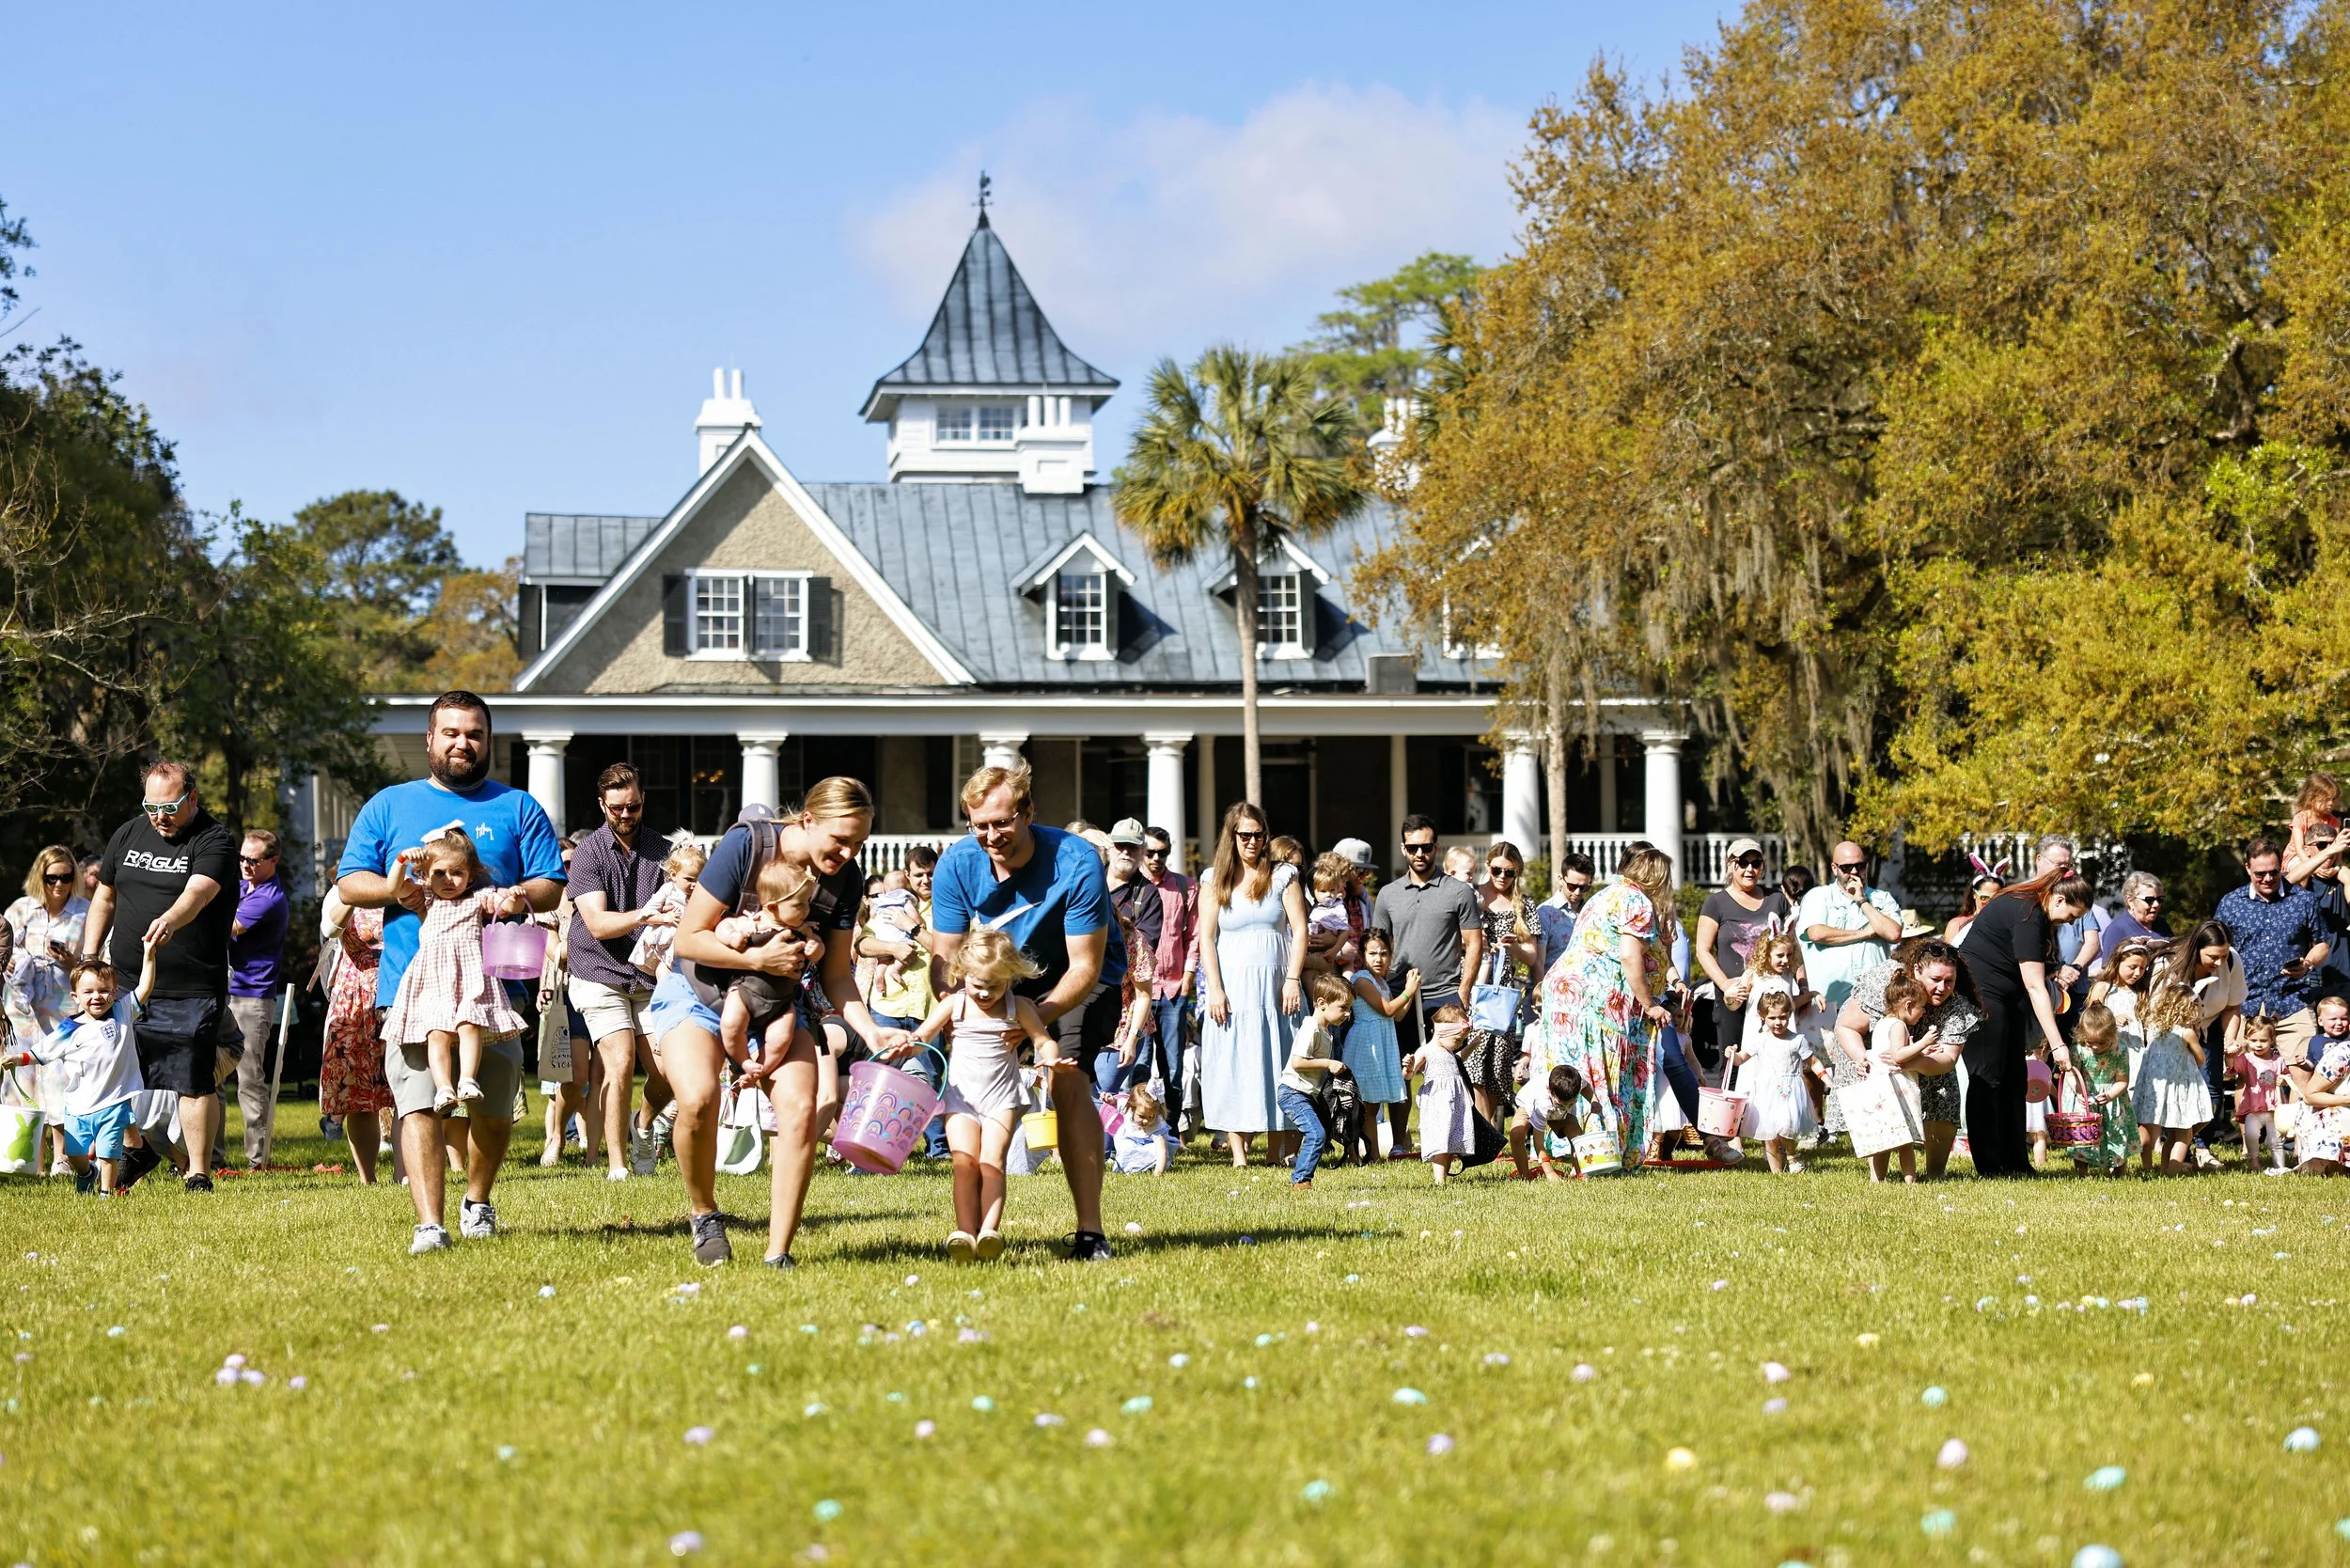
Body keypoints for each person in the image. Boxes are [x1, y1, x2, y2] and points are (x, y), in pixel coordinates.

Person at [336, 692, 566, 1254]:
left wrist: (516, 896)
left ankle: (478, 1201)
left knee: (491, 1107)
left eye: (475, 734)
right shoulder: (390, 805)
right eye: (452, 733)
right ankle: (430, 1223)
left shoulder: (517, 807)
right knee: (417, 1102)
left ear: (488, 740)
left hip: (495, 984)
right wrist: (390, 890)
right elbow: (348, 882)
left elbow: (550, 882)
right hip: (410, 983)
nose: (464, 743)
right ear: (430, 740)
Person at [659, 777, 898, 1268]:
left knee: (798, 1110)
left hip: (778, 1009)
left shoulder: (845, 882)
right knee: (699, 1100)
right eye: (840, 839)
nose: (849, 852)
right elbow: (688, 939)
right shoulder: (746, 846)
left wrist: (872, 1032)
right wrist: (758, 962)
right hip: (701, 994)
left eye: (859, 843)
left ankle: (777, 1252)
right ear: (807, 820)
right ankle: (705, 1214)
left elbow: (835, 973)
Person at [930, 762, 1126, 1262]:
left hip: (1076, 980)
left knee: (1069, 1081)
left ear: (1028, 813)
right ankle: (973, 1226)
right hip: (995, 981)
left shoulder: (1075, 860)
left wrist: (1030, 1021)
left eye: (1002, 822)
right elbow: (945, 962)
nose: (991, 835)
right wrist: (961, 1015)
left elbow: (1086, 964)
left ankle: (1089, 1232)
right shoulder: (956, 864)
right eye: (980, 825)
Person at [84, 760, 239, 1194]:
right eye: (151, 806)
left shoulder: (214, 839)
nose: (160, 817)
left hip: (190, 984)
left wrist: (170, 919)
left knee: (193, 1077)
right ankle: (137, 1148)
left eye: (169, 807)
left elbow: (199, 892)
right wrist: (90, 957)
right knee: (109, 1072)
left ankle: (198, 1173)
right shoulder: (129, 833)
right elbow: (105, 897)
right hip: (126, 981)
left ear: (193, 798)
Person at [911, 928, 1055, 1262]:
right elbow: (921, 1035)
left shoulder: (1017, 1006)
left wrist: (1049, 1053)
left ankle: (989, 1231)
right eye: (978, 984)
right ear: (962, 974)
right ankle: (965, 1232)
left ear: (1010, 978)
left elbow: (1042, 1039)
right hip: (961, 1098)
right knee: (963, 1162)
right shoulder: (955, 1003)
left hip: (1001, 1098)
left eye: (996, 985)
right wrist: (902, 1044)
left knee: (992, 1162)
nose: (986, 993)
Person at [564, 764, 676, 1183]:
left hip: (648, 974)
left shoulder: (663, 852)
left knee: (668, 1072)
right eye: (616, 809)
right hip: (597, 968)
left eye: (632, 807)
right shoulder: (589, 853)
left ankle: (642, 1123)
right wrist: (645, 916)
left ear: (642, 801)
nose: (625, 815)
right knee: (621, 1061)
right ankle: (617, 1164)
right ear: (602, 805)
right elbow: (596, 924)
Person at [1542, 845, 1677, 1172]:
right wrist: (1650, 1004)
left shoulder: (1605, 895)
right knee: (1604, 1073)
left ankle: (1566, 1150)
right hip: (1598, 999)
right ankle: (1602, 1153)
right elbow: (1631, 957)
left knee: (1570, 1071)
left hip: (1564, 991)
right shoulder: (1637, 901)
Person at [381, 830, 532, 1117]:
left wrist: (515, 895)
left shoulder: (479, 898)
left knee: (469, 1023)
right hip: (433, 977)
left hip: (471, 974)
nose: (448, 880)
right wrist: (401, 859)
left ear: (471, 876)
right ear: (426, 875)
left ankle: (467, 1080)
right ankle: (443, 1088)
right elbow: (394, 887)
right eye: (439, 873)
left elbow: (508, 906)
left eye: (457, 873)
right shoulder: (425, 897)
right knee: (436, 1032)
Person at [1195, 802, 1308, 1168]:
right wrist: (1214, 987)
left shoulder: (1283, 875)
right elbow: (1206, 938)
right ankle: (1239, 1156)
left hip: (1277, 984)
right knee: (1234, 1061)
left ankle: (1276, 1150)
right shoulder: (1214, 879)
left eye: (1259, 835)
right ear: (1232, 836)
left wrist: (1292, 979)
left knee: (1277, 1059)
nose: (1253, 842)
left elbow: (1300, 930)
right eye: (1245, 835)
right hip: (1233, 986)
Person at [1961, 866, 2093, 1175]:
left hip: (2007, 996)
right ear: (2059, 900)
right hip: (1983, 994)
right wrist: (2058, 1045)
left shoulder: (2036, 910)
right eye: (2072, 916)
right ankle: (1989, 1165)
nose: (2070, 923)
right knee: (1989, 1077)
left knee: (2014, 1078)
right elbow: (2035, 986)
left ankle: (2016, 1162)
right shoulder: (2028, 914)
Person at [3, 942, 158, 1196]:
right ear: (75, 996)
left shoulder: (122, 1012)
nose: (97, 996)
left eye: (104, 990)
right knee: (75, 1154)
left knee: (109, 1153)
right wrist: (17, 1058)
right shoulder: (68, 1028)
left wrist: (149, 955)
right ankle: (88, 1173)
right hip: (78, 1106)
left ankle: (106, 1194)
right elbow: (41, 1052)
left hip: (114, 1102)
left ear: (115, 991)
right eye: (89, 992)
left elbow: (145, 987)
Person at [1374, 814, 1486, 1149]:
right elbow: (1379, 945)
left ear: (1436, 848)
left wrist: (1463, 992)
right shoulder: (1388, 894)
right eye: (1413, 848)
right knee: (1402, 1071)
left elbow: (1474, 943)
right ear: (1403, 848)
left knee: (1449, 1071)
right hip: (1401, 996)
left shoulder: (1459, 892)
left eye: (1426, 847)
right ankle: (1399, 1142)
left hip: (1445, 996)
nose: (1420, 854)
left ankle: (1453, 1140)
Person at [1834, 938, 1982, 1177]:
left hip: (1923, 1056)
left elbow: (1948, 1058)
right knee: (1879, 1106)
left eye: (1949, 981)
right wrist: (1862, 1059)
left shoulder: (1958, 1005)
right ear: (1915, 971)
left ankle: (1935, 1172)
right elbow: (1847, 1027)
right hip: (1872, 1048)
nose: (1942, 988)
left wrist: (1911, 1060)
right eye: (1935, 980)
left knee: (1944, 1091)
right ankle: (1878, 1176)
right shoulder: (1889, 983)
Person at [6, 845, 92, 1177]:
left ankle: (63, 1159)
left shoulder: (85, 912)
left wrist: (71, 961)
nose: (60, 884)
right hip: (22, 1009)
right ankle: (27, 1160)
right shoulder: (21, 909)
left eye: (67, 877)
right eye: (52, 877)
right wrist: (12, 959)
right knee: (23, 1079)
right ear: (40, 876)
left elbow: (96, 963)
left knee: (60, 1078)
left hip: (63, 1004)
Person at [860, 844, 944, 1159]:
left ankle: (939, 1148)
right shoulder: (892, 904)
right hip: (888, 1006)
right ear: (908, 876)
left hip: (928, 1008)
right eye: (919, 874)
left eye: (931, 874)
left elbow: (948, 951)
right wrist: (892, 949)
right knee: (883, 1078)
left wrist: (913, 929)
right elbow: (863, 941)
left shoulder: (946, 908)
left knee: (931, 1079)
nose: (925, 880)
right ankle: (880, 1146)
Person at [2215, 837, 2328, 1069]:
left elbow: (2322, 943)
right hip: (2242, 1004)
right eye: (2260, 874)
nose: (2268, 878)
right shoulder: (2231, 904)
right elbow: (2214, 948)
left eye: (2274, 872)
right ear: (2247, 868)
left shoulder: (2304, 900)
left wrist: (2306, 964)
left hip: (2292, 1000)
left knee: (2303, 1074)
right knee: (2240, 1078)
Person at [315, 892, 394, 1184]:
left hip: (397, 990)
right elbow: (330, 929)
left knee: (405, 1089)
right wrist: (352, 893)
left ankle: (405, 1173)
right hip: (353, 998)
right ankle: (367, 1178)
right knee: (358, 1095)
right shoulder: (342, 891)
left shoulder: (408, 888)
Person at [1695, 838, 1794, 1066]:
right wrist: (1727, 985)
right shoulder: (1716, 903)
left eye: (1756, 863)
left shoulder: (1776, 900)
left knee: (1776, 1062)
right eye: (1743, 862)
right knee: (1733, 1064)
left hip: (1773, 996)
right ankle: (1732, 1104)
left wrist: (1804, 987)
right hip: (1735, 998)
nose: (1750, 869)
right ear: (1731, 864)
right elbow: (1703, 950)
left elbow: (1793, 948)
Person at [227, 830, 291, 1168]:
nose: (246, 865)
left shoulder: (268, 897)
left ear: (273, 860)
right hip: (226, 992)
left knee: (249, 1079)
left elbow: (228, 928)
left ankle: (257, 1159)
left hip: (251, 998)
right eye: (242, 858)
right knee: (209, 1078)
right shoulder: (243, 886)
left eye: (253, 860)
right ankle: (209, 1158)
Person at [1463, 841, 1537, 1124]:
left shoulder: (1524, 905)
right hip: (1476, 985)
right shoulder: (1473, 897)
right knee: (1473, 1059)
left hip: (1504, 991)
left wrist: (1513, 946)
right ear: (1488, 867)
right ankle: (1483, 1129)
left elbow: (1530, 957)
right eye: (1497, 870)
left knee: (1497, 1063)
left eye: (1510, 872)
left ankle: (1490, 1129)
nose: (1503, 877)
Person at [1132, 826, 1198, 1121]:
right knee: (1139, 1063)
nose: (1157, 857)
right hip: (1140, 990)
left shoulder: (1185, 887)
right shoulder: (1133, 888)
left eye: (1163, 852)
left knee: (1172, 1065)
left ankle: (1171, 1131)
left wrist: (1188, 978)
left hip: (1173, 990)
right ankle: (1137, 1128)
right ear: (1141, 852)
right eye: (1150, 852)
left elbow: (1193, 937)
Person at [1794, 841, 1903, 1014]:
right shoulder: (1818, 896)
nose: (1854, 872)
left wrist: (1862, 900)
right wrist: (1866, 932)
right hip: (1827, 1004)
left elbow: (1893, 933)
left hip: (1874, 1002)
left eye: (1860, 866)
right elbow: (1817, 933)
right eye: (1847, 867)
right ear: (1834, 868)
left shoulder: (1882, 898)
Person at [1341, 929, 1415, 1162]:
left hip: (1381, 1041)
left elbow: (1398, 1015)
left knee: (1371, 1106)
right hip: (1366, 1044)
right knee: (1363, 1105)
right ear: (1363, 955)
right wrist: (1408, 990)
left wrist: (1410, 993)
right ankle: (1355, 1154)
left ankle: (1370, 1155)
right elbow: (1388, 1009)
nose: (1378, 959)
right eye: (1372, 953)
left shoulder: (1382, 981)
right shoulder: (1362, 978)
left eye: (1383, 953)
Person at [1277, 972, 1355, 1189]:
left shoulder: (1326, 1030)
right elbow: (1297, 1063)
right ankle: (1301, 1180)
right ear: (1322, 1003)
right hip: (1293, 1092)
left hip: (1306, 1093)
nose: (1347, 1014)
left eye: (1349, 1008)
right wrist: (1328, 1063)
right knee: (1316, 1134)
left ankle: (1301, 1175)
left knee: (1320, 1132)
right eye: (1343, 1007)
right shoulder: (1310, 1028)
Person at [2138, 963, 2216, 1172]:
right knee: (2183, 1134)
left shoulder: (2153, 1028)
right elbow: (2200, 1059)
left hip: (2156, 1090)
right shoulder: (2186, 1033)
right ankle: (2172, 1170)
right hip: (2180, 1089)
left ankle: (2157, 1168)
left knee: (2160, 1130)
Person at [1732, 989, 1815, 1173]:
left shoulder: (1796, 1040)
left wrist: (1827, 1080)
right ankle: (1776, 1173)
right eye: (1772, 1018)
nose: (1778, 1022)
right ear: (1762, 1017)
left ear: (1789, 1015)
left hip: (1789, 1091)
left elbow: (1813, 1062)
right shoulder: (1760, 1040)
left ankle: (1793, 1157)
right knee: (1769, 1134)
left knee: (1786, 1125)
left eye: (1783, 1017)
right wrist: (1732, 1054)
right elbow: (1741, 1058)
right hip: (1766, 1093)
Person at [1865, 972, 1935, 1184]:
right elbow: (1898, 1056)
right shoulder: (1897, 1025)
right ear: (1908, 1005)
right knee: (1905, 1140)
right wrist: (1923, 1042)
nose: (1923, 1012)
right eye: (1921, 1007)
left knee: (1883, 1140)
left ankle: (1878, 1179)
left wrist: (1921, 1052)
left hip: (1880, 1087)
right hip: (1894, 1089)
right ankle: (1909, 1180)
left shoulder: (1882, 1024)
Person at [2065, 1002, 2135, 1178]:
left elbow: (2122, 1081)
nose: (2096, 1047)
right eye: (2091, 1042)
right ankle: (2081, 1172)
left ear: (2113, 1034)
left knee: (2116, 1134)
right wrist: (2079, 1092)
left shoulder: (2120, 1050)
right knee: (2081, 1137)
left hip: (2112, 1101)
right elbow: (2071, 1075)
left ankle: (2119, 1172)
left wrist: (2111, 1094)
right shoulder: (2079, 1049)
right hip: (2084, 1099)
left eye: (2102, 1042)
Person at [1405, 1003, 1474, 1183]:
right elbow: (1408, 1075)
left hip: (1455, 1103)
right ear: (1443, 1032)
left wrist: (1473, 1045)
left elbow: (1460, 1059)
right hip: (1439, 1104)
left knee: (1450, 1142)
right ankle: (1439, 1181)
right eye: (1458, 1040)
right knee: (1441, 1142)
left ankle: (1442, 1177)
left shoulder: (1449, 1051)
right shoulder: (1427, 1051)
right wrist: (1408, 1068)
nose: (1459, 1044)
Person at [628, 836, 705, 980]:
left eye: (698, 880)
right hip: (665, 945)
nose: (694, 884)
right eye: (689, 879)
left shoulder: (700, 894)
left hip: (687, 943)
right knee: (664, 971)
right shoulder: (669, 889)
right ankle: (665, 996)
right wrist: (665, 918)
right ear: (674, 875)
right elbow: (645, 915)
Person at [2231, 1012, 2287, 1174]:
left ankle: (2279, 1167)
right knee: (2250, 1134)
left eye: (2263, 1041)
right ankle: (2253, 1159)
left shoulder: (2278, 1060)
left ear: (2272, 1040)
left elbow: (2287, 1075)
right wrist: (2230, 1056)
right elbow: (2232, 1068)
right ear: (2246, 1039)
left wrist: (2282, 1079)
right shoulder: (2246, 1059)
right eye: (2254, 1040)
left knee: (2276, 1140)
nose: (2259, 1045)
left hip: (2274, 1107)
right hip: (2253, 1106)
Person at [1534, 851, 1597, 982]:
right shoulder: (1544, 913)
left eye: (1584, 887)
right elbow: (1538, 963)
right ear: (1561, 880)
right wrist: (1539, 997)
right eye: (1572, 886)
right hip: (1551, 990)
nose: (1577, 892)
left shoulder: (1593, 911)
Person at [1110, 1083, 1176, 1175]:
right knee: (1125, 1148)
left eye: (1151, 1117)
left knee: (1154, 1151)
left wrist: (1158, 1174)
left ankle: (1149, 1167)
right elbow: (1117, 1102)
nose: (1146, 1121)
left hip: (1149, 1145)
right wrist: (1110, 1100)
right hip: (1130, 1140)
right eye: (1141, 1116)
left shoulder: (1156, 1126)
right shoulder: (1127, 1108)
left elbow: (1162, 1151)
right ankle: (1128, 1168)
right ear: (1132, 1107)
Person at [2103, 870, 2172, 950]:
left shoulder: (2162, 924)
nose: (2156, 904)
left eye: (2160, 899)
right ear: (2130, 901)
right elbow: (2110, 963)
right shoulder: (2116, 930)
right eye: (2149, 900)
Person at [1945, 869, 2004, 946]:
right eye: (1984, 897)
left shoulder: (2006, 926)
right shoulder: (1957, 925)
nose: (1990, 902)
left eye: (1996, 898)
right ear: (1974, 894)